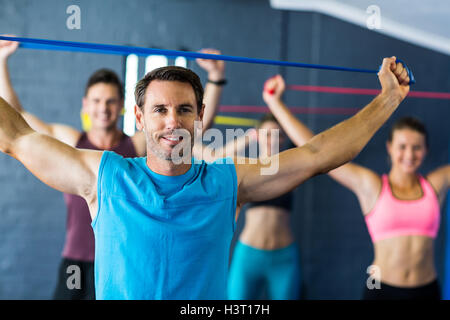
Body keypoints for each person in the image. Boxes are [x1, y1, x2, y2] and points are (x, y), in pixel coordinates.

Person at [0, 56, 410, 299]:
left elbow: (319, 155)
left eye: (184, 110)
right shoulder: (104, 176)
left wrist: (387, 99)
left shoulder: (228, 183)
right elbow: (16, 136)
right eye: (160, 110)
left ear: (199, 118)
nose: (172, 121)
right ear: (139, 117)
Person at [0, 37, 227, 299]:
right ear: (85, 105)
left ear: (122, 107)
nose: (103, 109)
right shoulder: (72, 142)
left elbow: (194, 128)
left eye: (110, 102)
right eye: (96, 101)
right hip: (77, 263)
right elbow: (16, 123)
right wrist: (2, 61)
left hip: (122, 268)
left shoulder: (138, 144)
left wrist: (215, 78)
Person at [260, 74, 450, 300]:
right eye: (403, 146)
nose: (409, 154)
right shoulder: (371, 185)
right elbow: (316, 152)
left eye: (416, 147)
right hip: (380, 288)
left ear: (426, 150)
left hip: (426, 289)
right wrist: (275, 103)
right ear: (389, 148)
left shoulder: (435, 185)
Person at [227, 111, 301, 300]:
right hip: (249, 255)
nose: (273, 140)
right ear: (259, 136)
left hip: (283, 257)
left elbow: (314, 147)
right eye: (268, 134)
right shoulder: (247, 166)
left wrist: (280, 111)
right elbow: (215, 158)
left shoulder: (293, 166)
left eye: (279, 135)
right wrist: (247, 138)